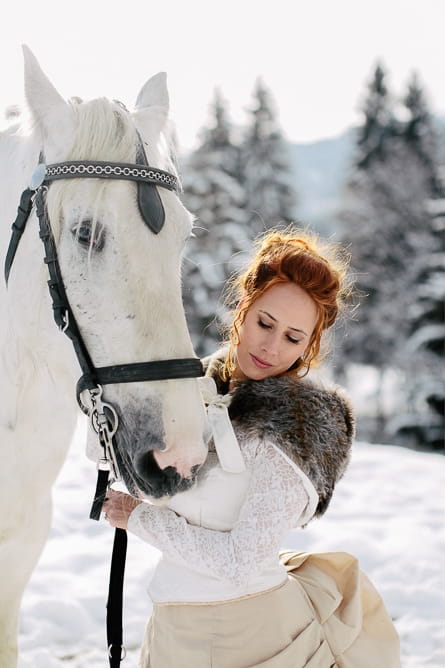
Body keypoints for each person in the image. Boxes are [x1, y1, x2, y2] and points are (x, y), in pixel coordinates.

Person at [103, 228, 401, 667]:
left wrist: (139, 518)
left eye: (293, 338)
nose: (271, 346)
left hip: (255, 638)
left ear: (310, 346)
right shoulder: (191, 393)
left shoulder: (299, 428)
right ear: (243, 307)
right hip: (171, 628)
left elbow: (240, 562)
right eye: (265, 323)